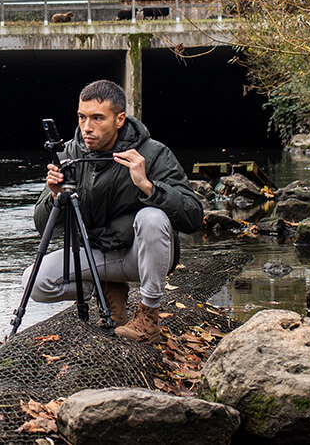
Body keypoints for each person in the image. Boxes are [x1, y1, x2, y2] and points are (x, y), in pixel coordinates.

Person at [21, 79, 203, 341]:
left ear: (119, 119)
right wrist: (54, 196)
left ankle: (148, 317)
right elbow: (43, 227)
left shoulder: (152, 154)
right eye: (82, 117)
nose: (86, 127)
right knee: (34, 282)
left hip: (138, 258)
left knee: (152, 217)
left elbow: (193, 217)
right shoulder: (70, 154)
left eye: (97, 118)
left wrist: (148, 186)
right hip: (98, 256)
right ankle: (107, 289)